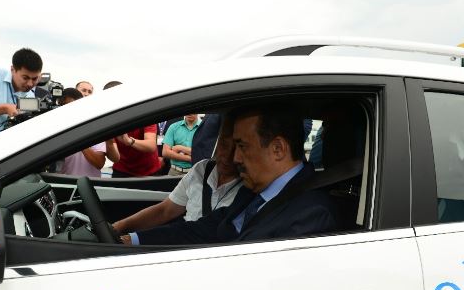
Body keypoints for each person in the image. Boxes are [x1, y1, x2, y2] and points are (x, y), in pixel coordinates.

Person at [122, 104, 339, 245]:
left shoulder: (311, 216)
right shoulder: (254, 194)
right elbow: (201, 230)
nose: (235, 158)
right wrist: (131, 240)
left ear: (278, 149)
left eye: (242, 146)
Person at [113, 118, 241, 233]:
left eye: (238, 147)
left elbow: (152, 146)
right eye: (224, 145)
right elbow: (165, 211)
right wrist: (118, 227)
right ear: (216, 142)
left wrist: (180, 149)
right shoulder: (201, 169)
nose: (227, 155)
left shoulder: (248, 191)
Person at [104, 82, 161, 177]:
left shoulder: (144, 113)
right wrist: (109, 143)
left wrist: (129, 141)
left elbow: (151, 146)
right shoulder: (108, 119)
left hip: (149, 170)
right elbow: (115, 158)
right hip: (122, 170)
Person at [57, 88, 107, 177]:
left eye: (74, 107)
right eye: (66, 107)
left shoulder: (94, 127)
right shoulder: (55, 130)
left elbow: (99, 163)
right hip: (63, 182)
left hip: (90, 183)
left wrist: (78, 138)